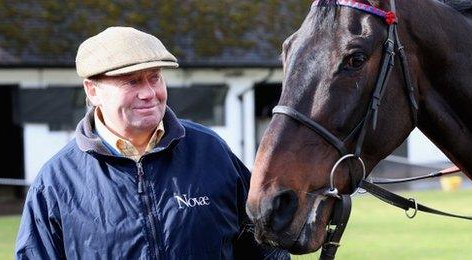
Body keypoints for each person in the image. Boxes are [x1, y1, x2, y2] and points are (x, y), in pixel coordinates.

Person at [15, 26, 289, 259]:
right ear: (92, 90)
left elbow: (266, 248)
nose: (148, 93)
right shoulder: (56, 182)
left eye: (154, 78)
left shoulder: (210, 151)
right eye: (131, 82)